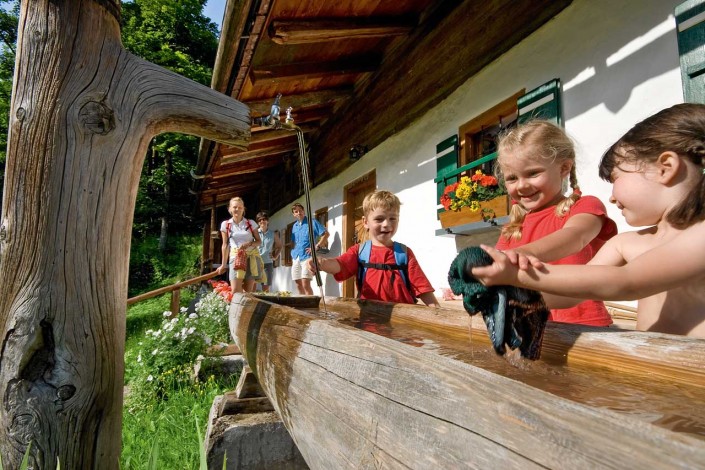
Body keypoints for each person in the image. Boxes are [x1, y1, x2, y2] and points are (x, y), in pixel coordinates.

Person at [471, 103, 705, 338]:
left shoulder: (701, 236)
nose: (612, 196)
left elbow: (626, 281)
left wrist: (516, 272)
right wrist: (503, 291)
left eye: (616, 177)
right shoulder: (626, 243)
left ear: (665, 168)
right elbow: (570, 294)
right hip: (650, 368)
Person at [491, 120, 618, 326]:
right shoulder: (512, 229)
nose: (522, 185)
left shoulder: (584, 206)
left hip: (584, 326)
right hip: (529, 329)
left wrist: (522, 254)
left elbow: (575, 237)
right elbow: (498, 269)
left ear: (564, 168)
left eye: (533, 173)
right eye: (512, 178)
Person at [307, 190, 440, 307]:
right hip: (369, 319)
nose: (387, 224)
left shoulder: (404, 253)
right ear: (365, 222)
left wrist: (437, 312)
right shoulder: (359, 252)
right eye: (379, 219)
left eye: (393, 218)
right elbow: (340, 265)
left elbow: (423, 288)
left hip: (403, 321)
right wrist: (321, 263)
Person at [216, 197, 262, 293]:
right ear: (230, 209)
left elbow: (259, 242)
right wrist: (223, 264)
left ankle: (245, 308)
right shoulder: (226, 224)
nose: (237, 209)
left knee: (248, 292)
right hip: (235, 257)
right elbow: (225, 245)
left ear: (243, 209)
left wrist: (249, 243)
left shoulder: (251, 223)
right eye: (235, 207)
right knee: (236, 291)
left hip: (251, 257)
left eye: (240, 207)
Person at [290, 202, 329, 295]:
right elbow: (293, 241)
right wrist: (292, 252)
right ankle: (303, 304)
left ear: (303, 211)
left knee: (305, 284)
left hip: (307, 257)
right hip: (296, 257)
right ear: (294, 214)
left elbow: (326, 234)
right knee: (298, 283)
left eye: (300, 211)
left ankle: (310, 306)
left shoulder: (312, 222)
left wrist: (317, 246)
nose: (299, 213)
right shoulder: (294, 226)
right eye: (296, 211)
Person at [255, 210, 282, 292]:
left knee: (266, 287)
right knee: (252, 285)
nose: (262, 221)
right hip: (255, 262)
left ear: (267, 221)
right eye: (260, 220)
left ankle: (265, 304)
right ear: (258, 222)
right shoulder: (254, 233)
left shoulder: (273, 234)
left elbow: (280, 246)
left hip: (268, 263)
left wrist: (275, 256)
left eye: (264, 219)